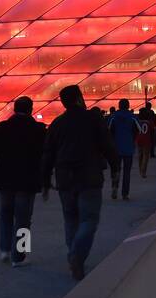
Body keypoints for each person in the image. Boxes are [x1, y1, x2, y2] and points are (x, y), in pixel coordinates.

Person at [41, 84, 112, 281]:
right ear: (80, 98)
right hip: (89, 177)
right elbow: (106, 143)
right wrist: (115, 165)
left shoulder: (57, 123)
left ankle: (74, 254)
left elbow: (48, 154)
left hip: (65, 178)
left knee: (70, 218)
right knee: (89, 219)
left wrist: (45, 180)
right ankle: (76, 256)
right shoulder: (93, 119)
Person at [0, 96, 46, 266]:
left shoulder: (2, 127)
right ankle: (20, 255)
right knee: (23, 219)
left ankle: (5, 250)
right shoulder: (38, 129)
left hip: (5, 179)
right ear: (31, 109)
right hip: (27, 180)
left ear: (14, 109)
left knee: (5, 214)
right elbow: (44, 156)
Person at [107, 98, 139, 200]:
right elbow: (139, 129)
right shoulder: (132, 117)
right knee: (127, 172)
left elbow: (108, 130)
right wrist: (132, 138)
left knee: (116, 170)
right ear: (128, 106)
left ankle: (115, 186)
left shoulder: (113, 117)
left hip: (116, 148)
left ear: (119, 105)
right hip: (128, 147)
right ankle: (125, 194)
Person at [135, 101, 156, 178]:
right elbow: (153, 129)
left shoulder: (137, 122)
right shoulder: (149, 122)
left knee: (140, 155)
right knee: (145, 156)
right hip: (146, 140)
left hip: (139, 139)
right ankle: (143, 172)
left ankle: (140, 169)